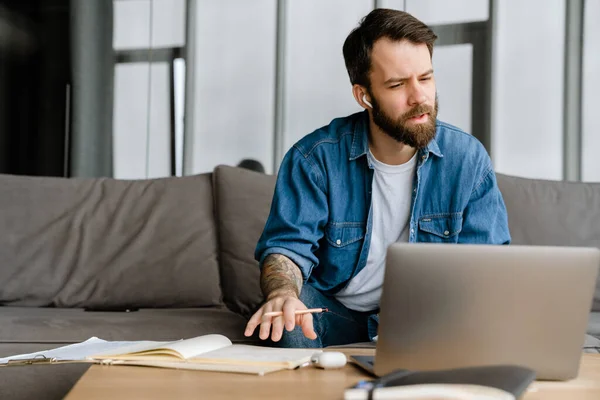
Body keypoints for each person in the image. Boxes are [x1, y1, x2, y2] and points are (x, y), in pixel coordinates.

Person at [244, 8, 510, 348]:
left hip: (424, 320)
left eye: (425, 78)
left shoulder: (467, 159)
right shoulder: (315, 159)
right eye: (398, 84)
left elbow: (486, 268)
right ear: (364, 95)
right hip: (334, 313)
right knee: (289, 324)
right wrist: (282, 294)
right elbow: (287, 250)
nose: (419, 98)